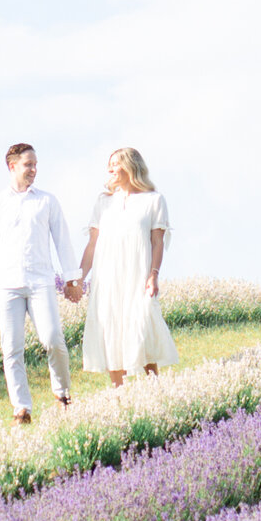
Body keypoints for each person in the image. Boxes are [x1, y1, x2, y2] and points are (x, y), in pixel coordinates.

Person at [0, 140, 76, 423]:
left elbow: (62, 240)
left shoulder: (47, 201)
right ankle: (21, 408)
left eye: (35, 165)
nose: (33, 170)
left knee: (53, 338)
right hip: (7, 284)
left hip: (41, 281)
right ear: (12, 166)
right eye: (28, 165)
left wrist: (71, 279)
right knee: (12, 347)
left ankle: (62, 392)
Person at [75, 145, 173, 382]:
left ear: (130, 166)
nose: (109, 168)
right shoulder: (103, 202)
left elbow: (157, 242)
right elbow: (92, 244)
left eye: (115, 163)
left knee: (143, 325)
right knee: (110, 327)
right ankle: (118, 391)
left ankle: (153, 386)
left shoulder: (154, 200)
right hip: (107, 276)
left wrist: (153, 275)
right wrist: (79, 277)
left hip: (138, 275)